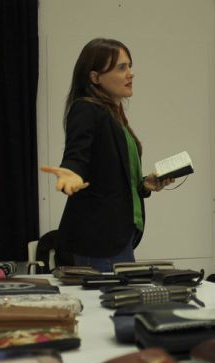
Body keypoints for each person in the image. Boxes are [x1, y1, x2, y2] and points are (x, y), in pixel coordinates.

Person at [40, 38, 172, 272]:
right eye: (121, 68)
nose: (130, 74)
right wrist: (70, 173)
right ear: (95, 77)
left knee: (119, 305)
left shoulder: (114, 116)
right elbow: (76, 155)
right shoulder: (86, 109)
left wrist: (144, 185)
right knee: (110, 307)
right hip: (98, 242)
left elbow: (113, 178)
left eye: (130, 66)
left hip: (120, 237)